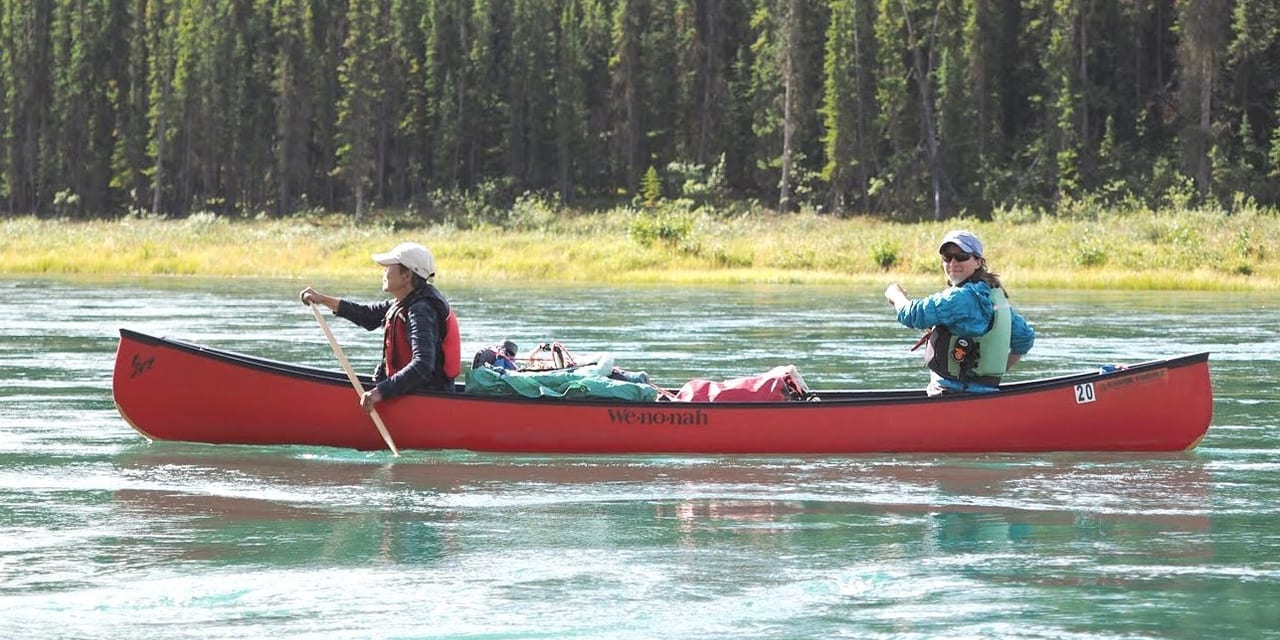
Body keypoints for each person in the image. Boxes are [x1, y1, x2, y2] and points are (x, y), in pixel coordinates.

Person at [300, 242, 461, 409]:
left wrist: (379, 393)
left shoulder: (421, 310)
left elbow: (422, 366)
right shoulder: (405, 302)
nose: (384, 271)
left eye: (389, 267)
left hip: (425, 399)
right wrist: (322, 300)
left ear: (406, 275)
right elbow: (368, 315)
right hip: (411, 392)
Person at [884, 229, 1035, 396]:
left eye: (961, 256)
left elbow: (912, 315)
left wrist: (895, 295)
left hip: (950, 393)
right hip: (987, 392)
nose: (953, 263)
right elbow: (1024, 338)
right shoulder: (993, 295)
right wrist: (995, 371)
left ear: (978, 262)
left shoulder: (960, 297)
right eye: (947, 258)